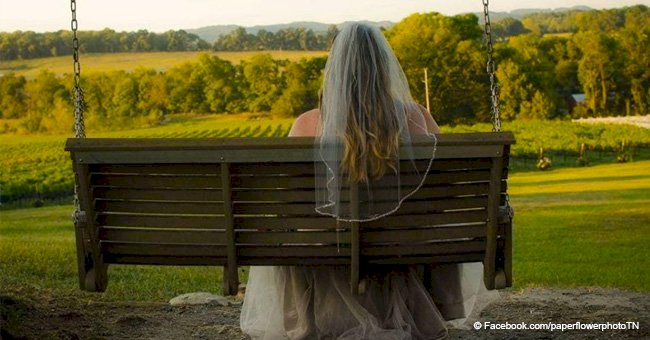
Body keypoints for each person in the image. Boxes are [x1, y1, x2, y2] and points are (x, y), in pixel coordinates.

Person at [240, 22, 491, 339]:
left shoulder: (306, 124)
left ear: (334, 69)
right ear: (385, 66)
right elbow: (447, 198)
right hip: (405, 250)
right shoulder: (418, 118)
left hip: (329, 255)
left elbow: (288, 207)